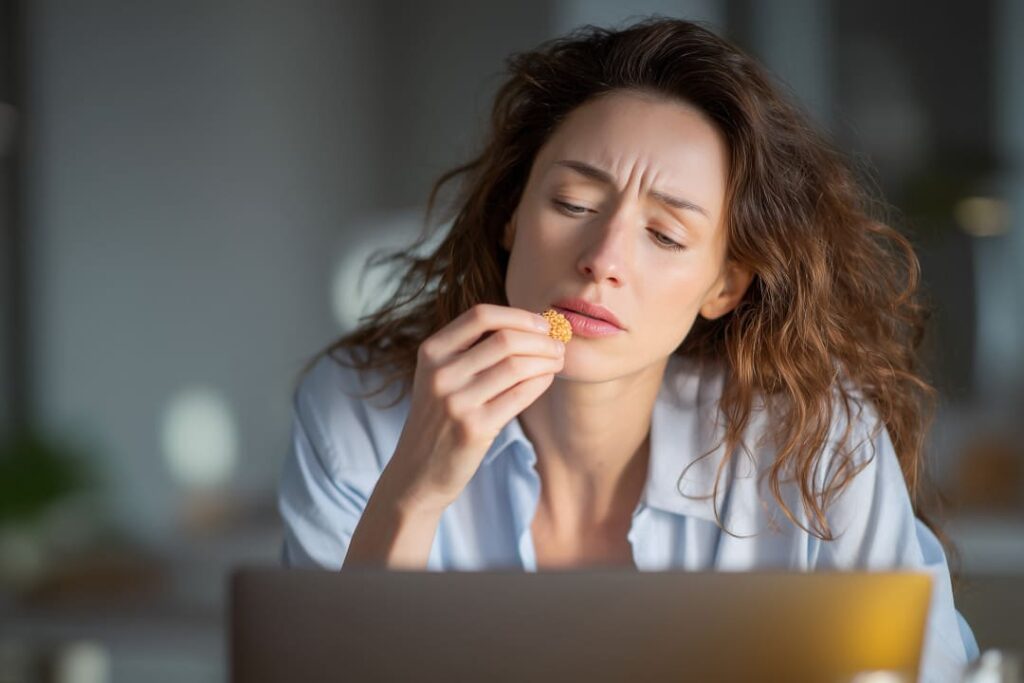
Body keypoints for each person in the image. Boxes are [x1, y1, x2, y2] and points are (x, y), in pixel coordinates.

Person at [277, 16, 979, 682]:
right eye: (575, 204)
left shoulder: (817, 444)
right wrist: (414, 491)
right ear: (511, 216)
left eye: (667, 236)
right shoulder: (357, 413)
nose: (603, 259)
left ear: (724, 286)